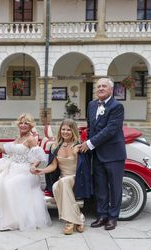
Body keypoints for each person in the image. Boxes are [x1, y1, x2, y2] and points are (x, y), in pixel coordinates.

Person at [0, 113, 51, 231]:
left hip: (26, 171)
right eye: (21, 123)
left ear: (31, 125)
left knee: (9, 185)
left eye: (26, 123)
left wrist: (33, 166)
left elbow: (38, 157)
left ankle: (12, 220)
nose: (23, 125)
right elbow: (10, 152)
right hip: (13, 167)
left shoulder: (31, 139)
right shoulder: (19, 138)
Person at [79, 77, 126, 231]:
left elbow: (111, 130)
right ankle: (102, 215)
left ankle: (113, 218)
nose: (100, 88)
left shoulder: (117, 106)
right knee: (100, 187)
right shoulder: (92, 105)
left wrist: (89, 143)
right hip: (97, 154)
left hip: (113, 154)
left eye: (104, 86)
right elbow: (91, 127)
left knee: (115, 187)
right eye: (98, 86)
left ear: (111, 89)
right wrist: (86, 143)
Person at [33, 119, 92, 235]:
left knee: (63, 182)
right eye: (63, 129)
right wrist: (41, 170)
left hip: (77, 178)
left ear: (73, 131)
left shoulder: (79, 146)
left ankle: (70, 222)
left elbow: (85, 168)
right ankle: (79, 218)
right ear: (60, 131)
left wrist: (77, 153)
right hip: (63, 179)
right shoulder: (55, 146)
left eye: (69, 130)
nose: (65, 132)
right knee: (56, 186)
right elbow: (53, 166)